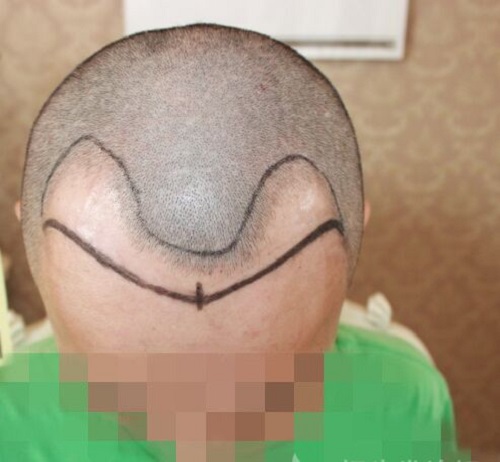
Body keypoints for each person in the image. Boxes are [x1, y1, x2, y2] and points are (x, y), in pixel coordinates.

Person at [0, 24, 465, 461]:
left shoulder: (408, 403)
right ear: (32, 248)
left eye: (273, 403)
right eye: (124, 404)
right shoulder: (9, 419)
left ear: (354, 243)